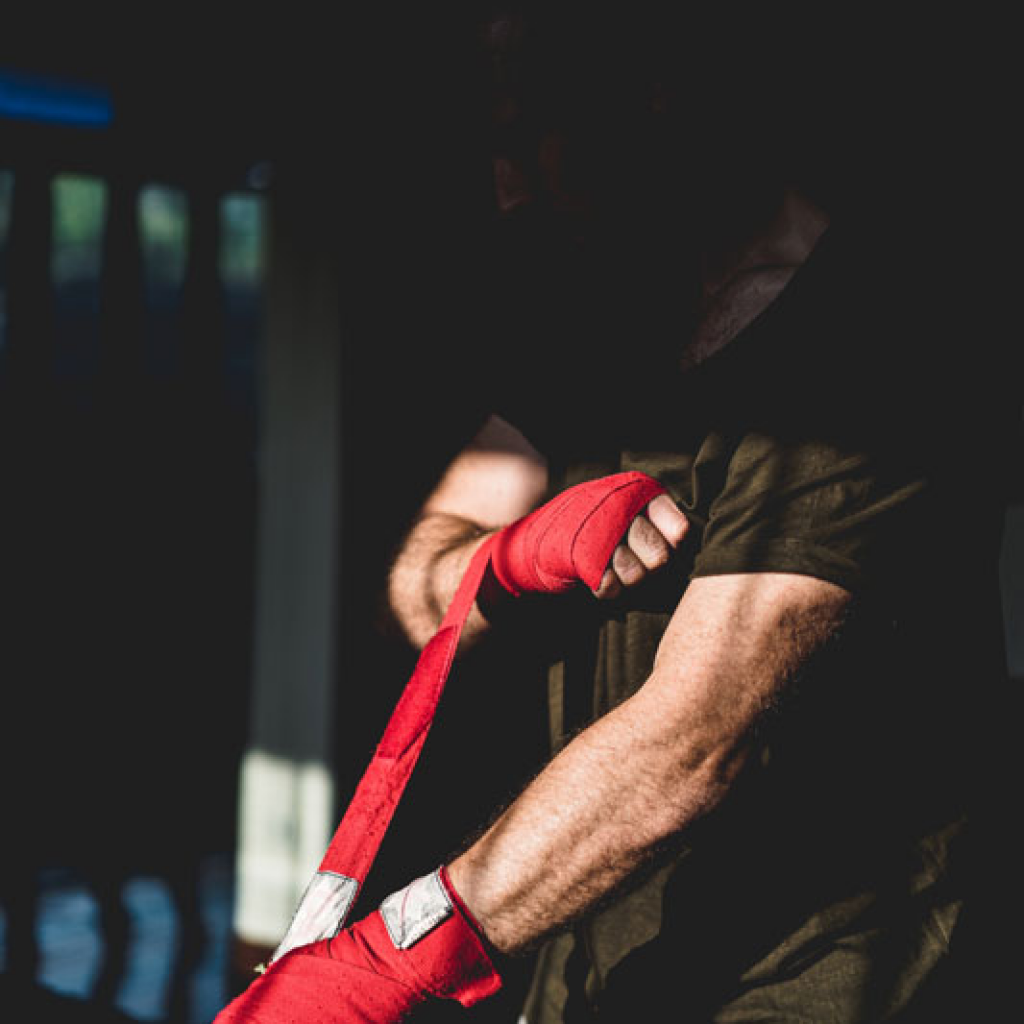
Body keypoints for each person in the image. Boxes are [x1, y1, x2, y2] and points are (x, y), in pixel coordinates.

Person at [215, 5, 1017, 1021]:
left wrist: (394, 951)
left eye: (528, 136)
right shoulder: (600, 313)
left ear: (652, 96)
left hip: (820, 975)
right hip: (596, 957)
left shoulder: (874, 334)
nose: (504, 187)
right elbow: (413, 595)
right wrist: (504, 560)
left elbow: (697, 736)